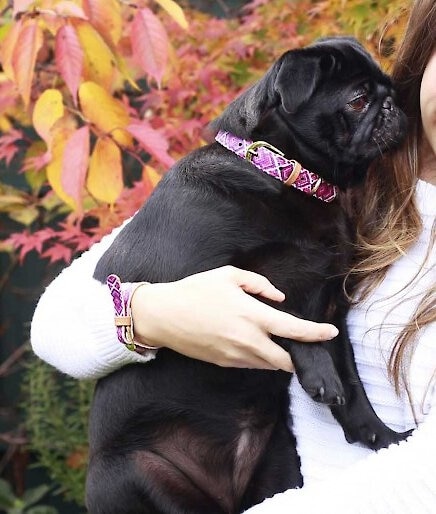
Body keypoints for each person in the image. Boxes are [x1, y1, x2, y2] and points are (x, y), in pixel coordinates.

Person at [30, 0, 435, 512]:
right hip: (174, 461)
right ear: (423, 53)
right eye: (360, 101)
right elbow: (54, 322)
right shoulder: (325, 176)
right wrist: (151, 315)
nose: (373, 110)